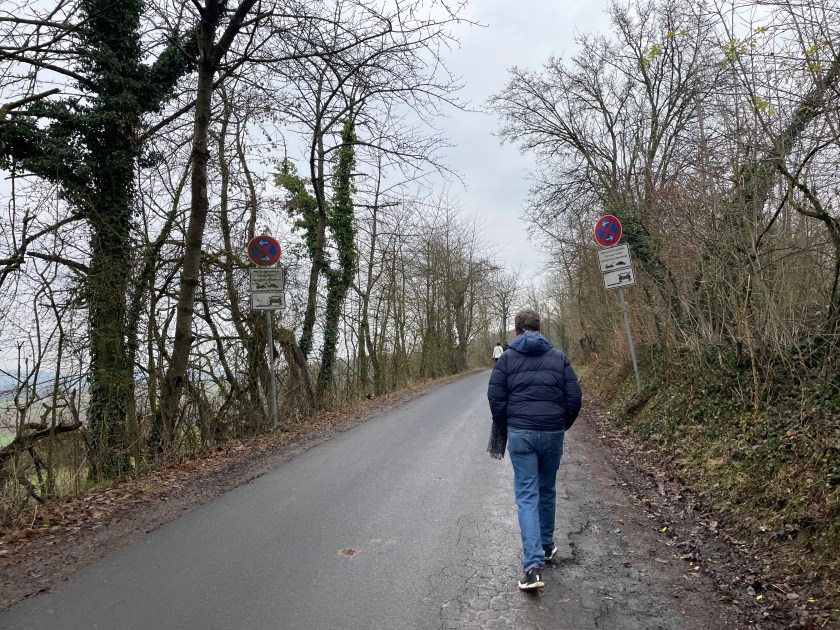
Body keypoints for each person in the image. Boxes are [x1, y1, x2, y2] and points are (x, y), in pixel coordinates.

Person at [487, 308, 582, 591]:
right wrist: (561, 424)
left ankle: (532, 568)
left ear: (516, 331)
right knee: (547, 489)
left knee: (527, 496)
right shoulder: (559, 358)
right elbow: (574, 397)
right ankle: (547, 546)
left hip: (521, 433)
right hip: (552, 432)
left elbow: (495, 397)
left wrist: (507, 425)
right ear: (539, 329)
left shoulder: (507, 360)